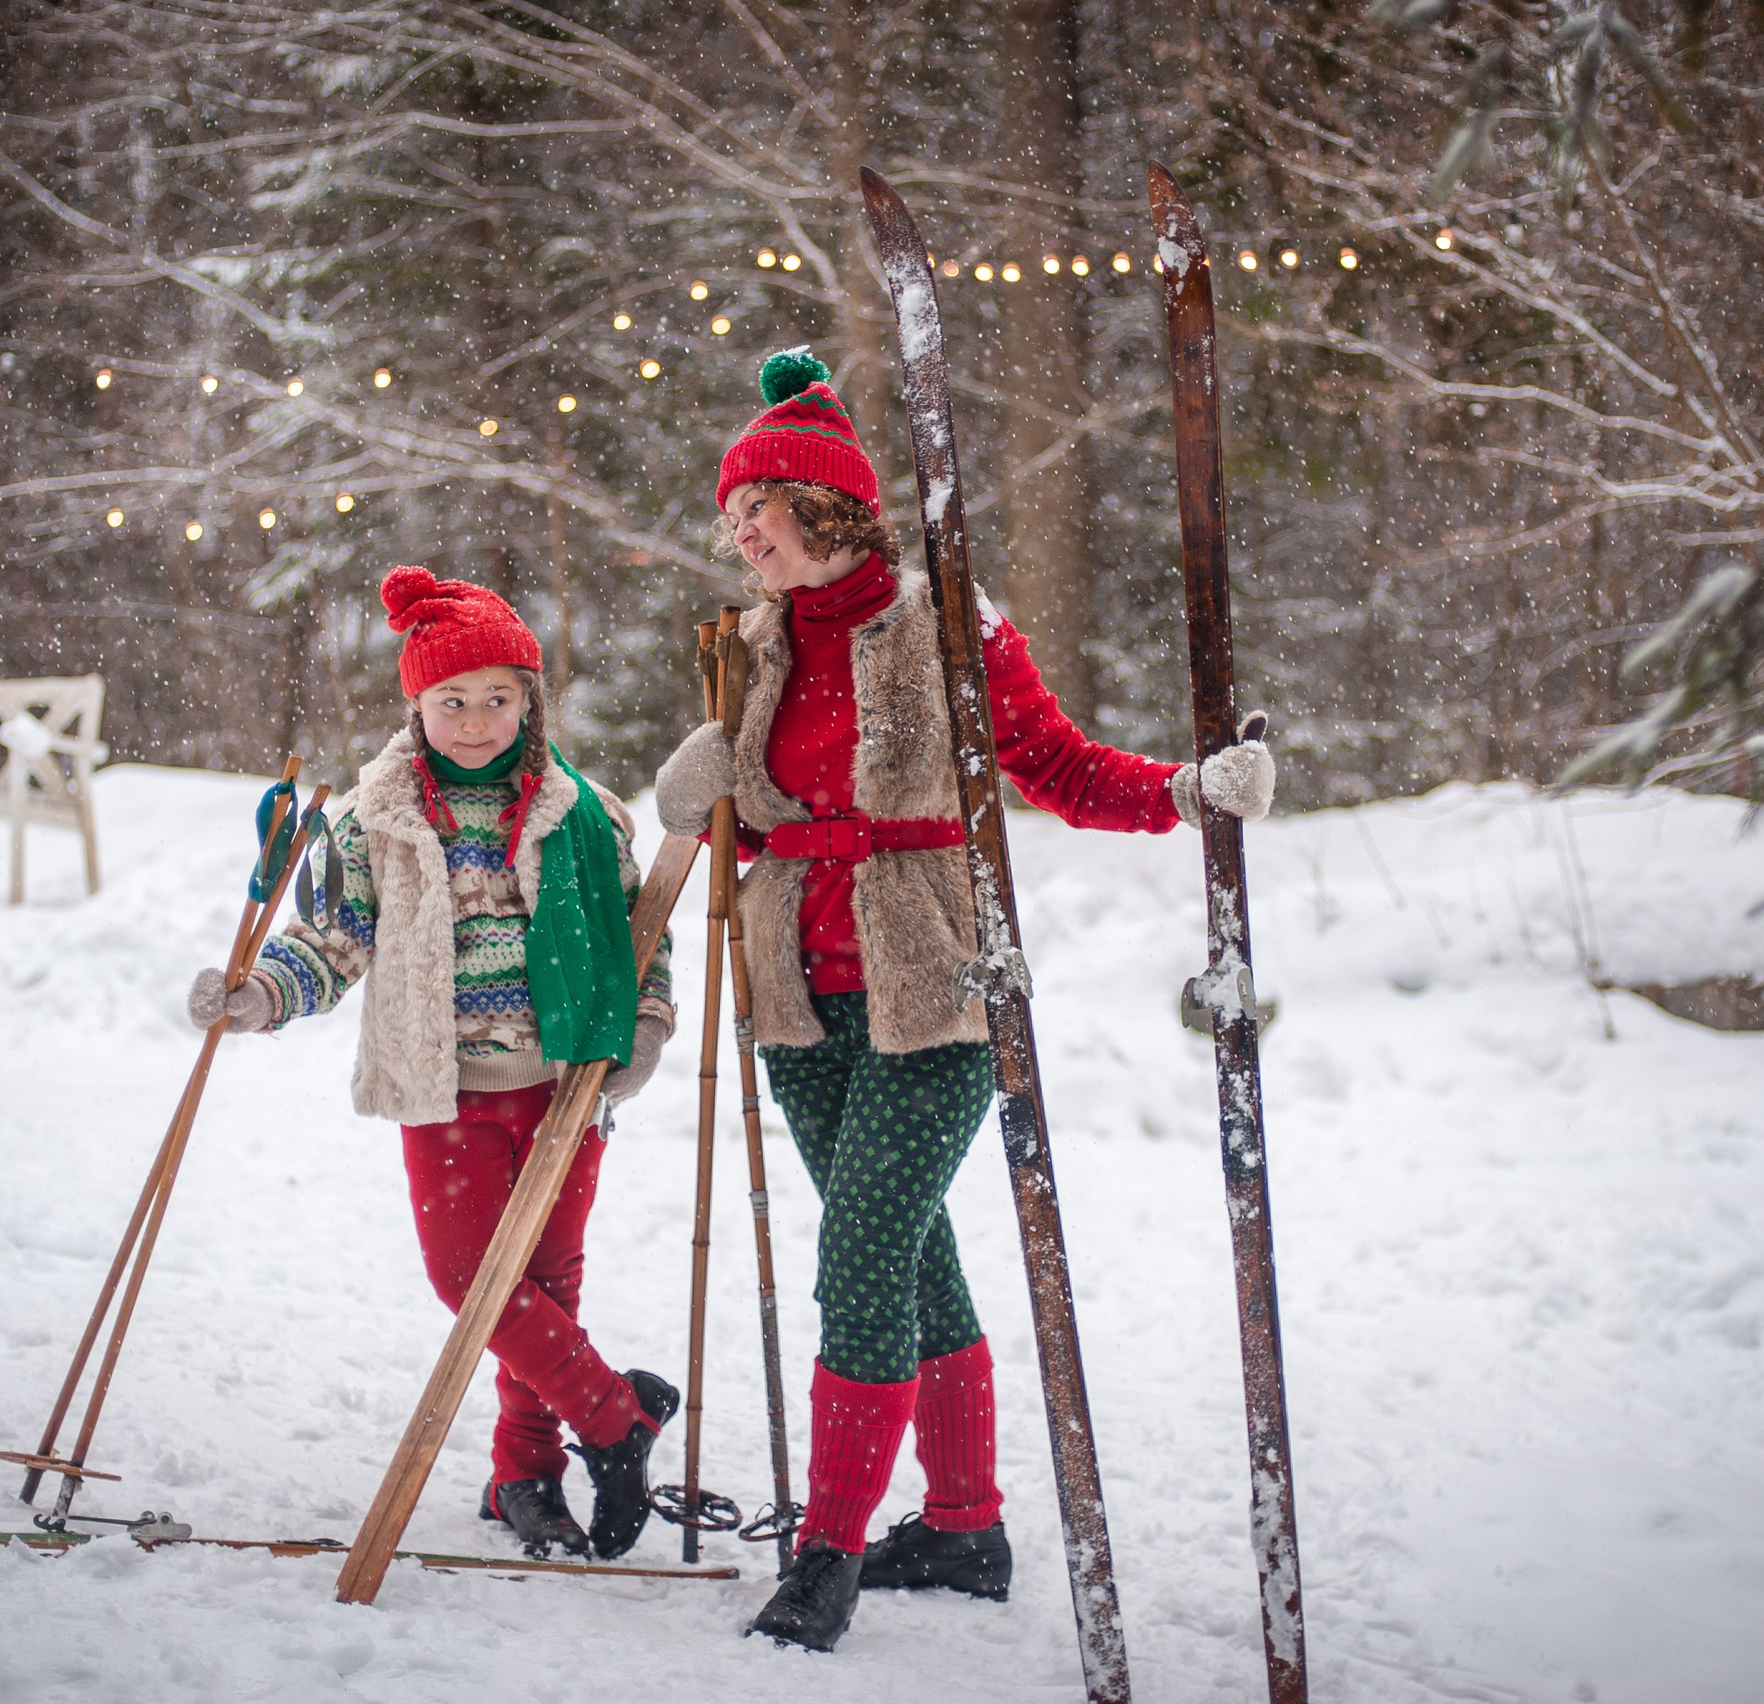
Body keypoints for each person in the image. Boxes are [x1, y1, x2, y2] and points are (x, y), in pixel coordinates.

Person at [654, 351, 1277, 1650]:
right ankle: (965, 1526)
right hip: (798, 997)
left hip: (936, 980)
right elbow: (753, 812)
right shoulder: (755, 647)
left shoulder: (949, 622)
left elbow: (1050, 762)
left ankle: (825, 1556)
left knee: (863, 1255)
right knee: (910, 1250)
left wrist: (1184, 792)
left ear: (824, 506)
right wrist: (704, 782)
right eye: (733, 517)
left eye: (755, 509)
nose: (739, 534)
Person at [189, 566, 680, 1561]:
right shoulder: (375, 818)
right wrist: (260, 996)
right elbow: (333, 937)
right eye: (451, 701)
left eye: (498, 700)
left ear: (530, 703)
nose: (473, 721)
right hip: (441, 1086)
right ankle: (615, 1418)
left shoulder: (580, 811)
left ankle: (524, 1477)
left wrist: (651, 1023)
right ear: (416, 704)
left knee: (546, 1285)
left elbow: (643, 935)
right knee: (470, 1278)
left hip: (563, 1082)